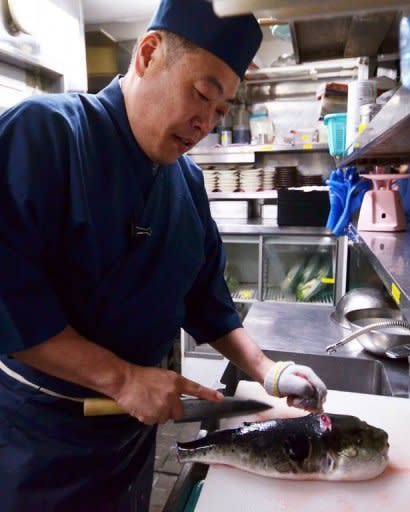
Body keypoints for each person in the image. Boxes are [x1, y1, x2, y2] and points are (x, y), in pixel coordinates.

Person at [0, 0, 327, 510]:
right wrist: (125, 378)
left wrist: (268, 370)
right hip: (38, 441)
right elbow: (8, 301)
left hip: (132, 438)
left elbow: (207, 299)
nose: (206, 124)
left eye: (220, 112)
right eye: (202, 94)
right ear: (150, 53)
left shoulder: (187, 182)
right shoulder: (43, 136)